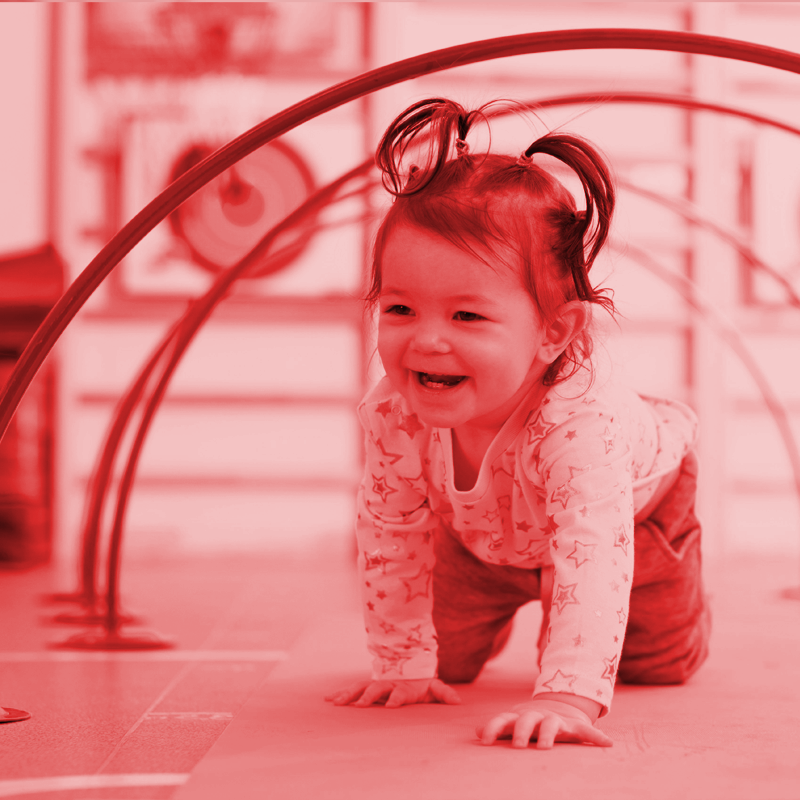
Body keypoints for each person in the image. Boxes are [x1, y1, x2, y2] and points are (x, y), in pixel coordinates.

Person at [325, 98, 711, 749]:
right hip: (482, 539)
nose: (426, 341)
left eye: (466, 317)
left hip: (633, 522)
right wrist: (401, 661)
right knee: (440, 667)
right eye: (399, 308)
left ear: (555, 332)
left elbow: (590, 551)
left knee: (656, 666)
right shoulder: (394, 412)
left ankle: (665, 614)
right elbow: (390, 530)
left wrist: (567, 695)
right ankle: (494, 610)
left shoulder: (580, 426)